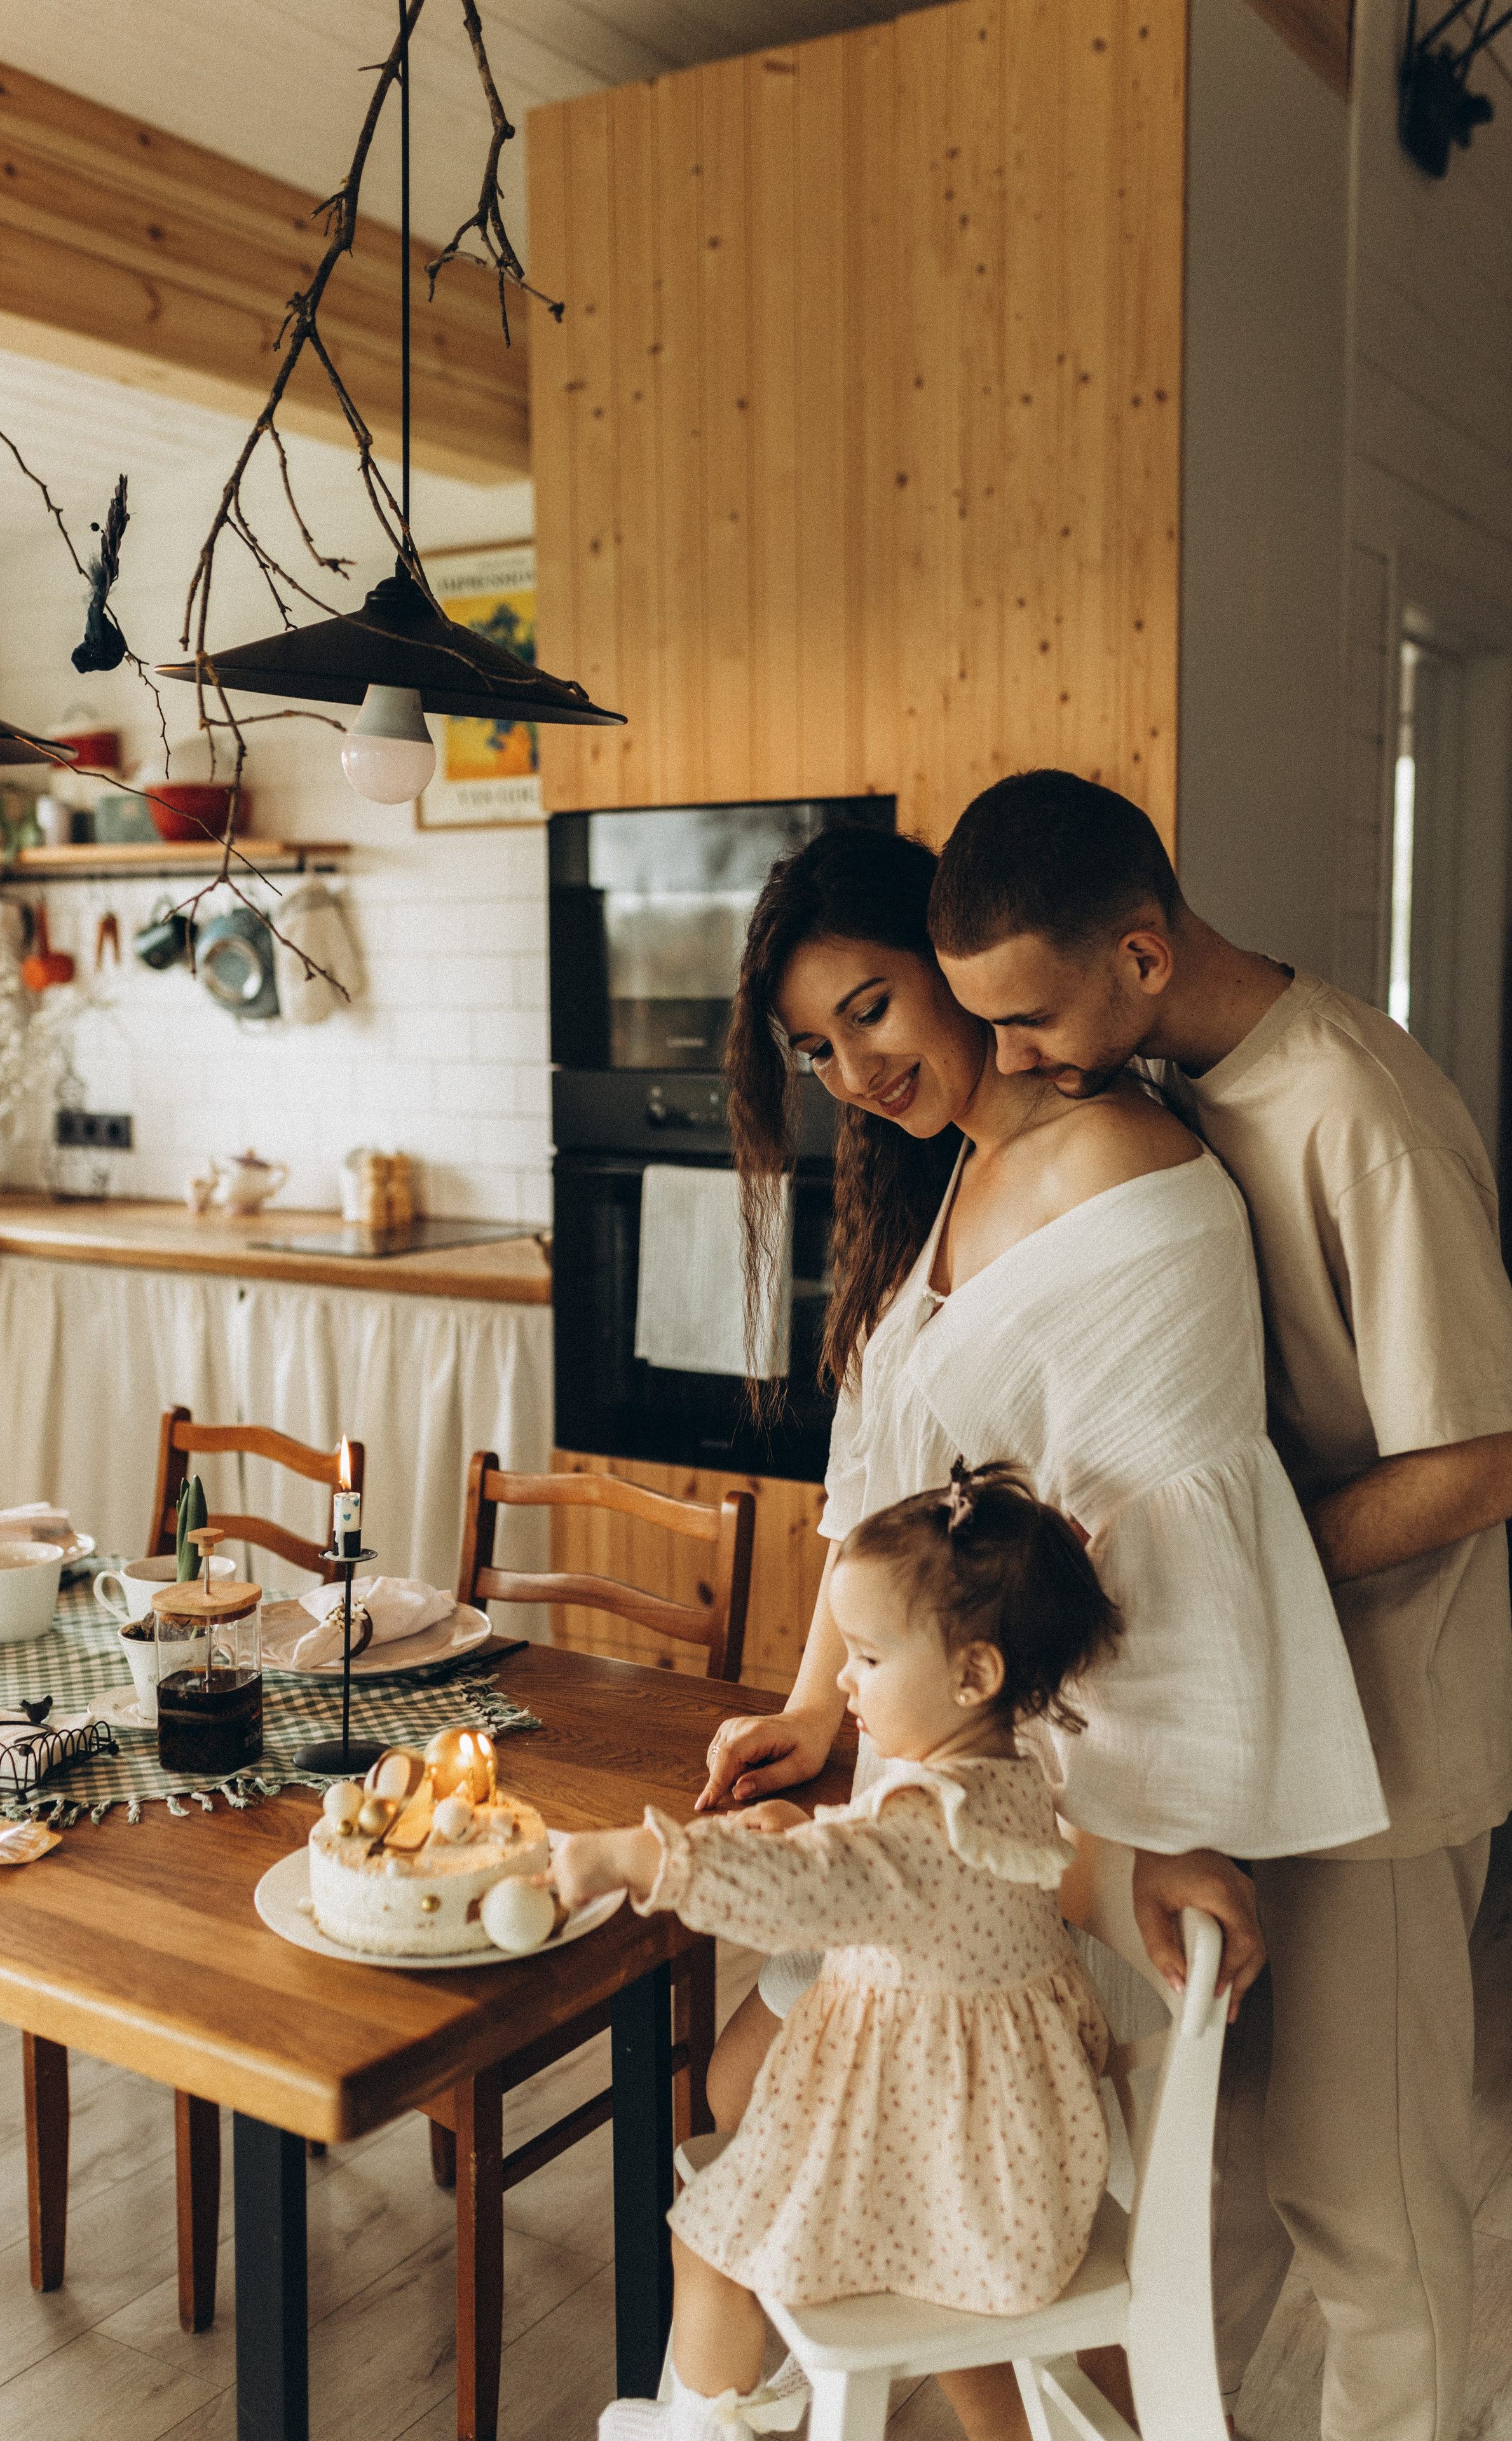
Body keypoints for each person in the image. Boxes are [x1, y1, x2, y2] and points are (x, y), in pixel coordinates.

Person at [927, 766, 1512, 2441]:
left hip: (1393, 1740)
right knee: (1213, 2183)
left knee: (1369, 2208)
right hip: (1263, 1723)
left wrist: (1219, 1567)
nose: (1019, 1064)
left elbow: (1479, 1459)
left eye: (1030, 1021)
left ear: (1142, 953)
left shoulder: (1355, 1108)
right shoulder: (1178, 1085)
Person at [700, 826, 1384, 2137]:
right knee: (744, 2096)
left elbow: (1174, 1553)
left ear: (952, 965)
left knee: (840, 2143)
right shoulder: (946, 1175)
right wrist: (811, 1710)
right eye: (816, 1051)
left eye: (870, 1010)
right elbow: (875, 1497)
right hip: (943, 1790)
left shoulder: (1121, 1168)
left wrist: (1145, 1850)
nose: (854, 1072)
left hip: (1065, 1813)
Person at [560, 1465, 1121, 2441]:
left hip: (948, 2183)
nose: (844, 1682)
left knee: (708, 2243)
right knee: (760, 2200)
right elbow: (867, 1874)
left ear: (974, 1674)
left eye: (864, 1657)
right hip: (1010, 2177)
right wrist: (803, 1832)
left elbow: (812, 1892)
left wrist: (630, 1854)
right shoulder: (1003, 1786)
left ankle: (704, 2431)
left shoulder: (926, 1825)